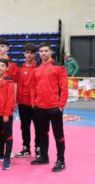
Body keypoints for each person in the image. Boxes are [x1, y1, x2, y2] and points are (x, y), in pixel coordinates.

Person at [30, 42, 68, 172]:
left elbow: (64, 88)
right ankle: (44, 157)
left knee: (58, 135)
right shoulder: (37, 68)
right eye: (41, 51)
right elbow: (33, 88)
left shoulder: (59, 67)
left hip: (54, 108)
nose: (43, 53)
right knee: (42, 134)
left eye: (45, 51)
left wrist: (61, 105)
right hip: (40, 107)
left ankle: (61, 161)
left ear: (51, 52)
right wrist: (34, 104)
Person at [16, 43, 40, 158]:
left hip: (36, 104)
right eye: (27, 53)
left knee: (38, 127)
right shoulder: (19, 67)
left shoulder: (39, 67)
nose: (29, 55)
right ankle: (26, 148)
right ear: (24, 54)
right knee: (24, 127)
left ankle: (38, 148)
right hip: (22, 103)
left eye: (31, 53)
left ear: (35, 54)